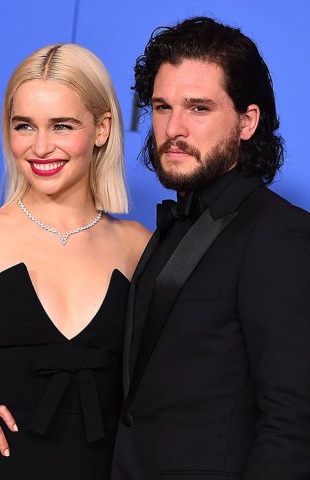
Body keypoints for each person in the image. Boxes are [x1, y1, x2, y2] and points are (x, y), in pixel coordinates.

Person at [0, 43, 150, 479]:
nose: (41, 147)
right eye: (24, 126)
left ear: (102, 128)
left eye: (62, 126)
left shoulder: (138, 246)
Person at [110, 16, 310, 480]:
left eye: (198, 108)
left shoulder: (279, 235)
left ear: (246, 122)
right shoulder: (169, 227)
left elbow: (293, 422)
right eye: (162, 107)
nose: (173, 128)